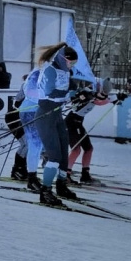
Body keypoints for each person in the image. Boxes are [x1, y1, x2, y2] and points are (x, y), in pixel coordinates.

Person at [33, 43, 80, 206]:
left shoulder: (65, 70)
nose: (71, 66)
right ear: (61, 59)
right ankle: (45, 192)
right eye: (70, 62)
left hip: (57, 114)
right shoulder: (50, 70)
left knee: (63, 152)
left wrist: (75, 89)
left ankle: (61, 185)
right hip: (46, 113)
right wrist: (68, 93)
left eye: (73, 64)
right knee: (54, 155)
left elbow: (70, 86)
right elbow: (49, 92)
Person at [66, 78, 127, 184]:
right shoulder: (87, 92)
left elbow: (103, 98)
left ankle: (85, 174)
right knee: (76, 150)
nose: (104, 92)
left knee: (88, 149)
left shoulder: (95, 92)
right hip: (71, 122)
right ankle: (65, 174)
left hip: (78, 123)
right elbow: (98, 102)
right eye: (103, 90)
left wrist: (117, 99)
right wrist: (115, 98)